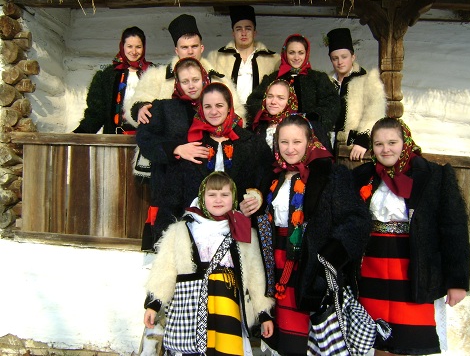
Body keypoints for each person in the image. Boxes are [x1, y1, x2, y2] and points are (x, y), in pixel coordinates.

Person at [241, 114, 371, 355]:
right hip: (272, 268)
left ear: (310, 142)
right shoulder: (271, 176)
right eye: (284, 142)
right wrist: (252, 208)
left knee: (303, 339)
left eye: (297, 142)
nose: (290, 149)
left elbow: (357, 220)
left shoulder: (331, 176)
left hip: (308, 268)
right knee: (278, 336)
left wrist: (330, 258)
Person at [352, 117, 470, 355]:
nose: (385, 149)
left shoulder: (433, 175)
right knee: (374, 337)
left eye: (392, 142)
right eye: (378, 144)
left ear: (405, 142)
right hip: (372, 266)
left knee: (410, 336)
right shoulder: (362, 176)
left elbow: (453, 228)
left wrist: (457, 281)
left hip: (414, 266)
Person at [143, 171, 275, 355]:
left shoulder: (242, 229)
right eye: (212, 194)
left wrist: (264, 313)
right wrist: (154, 304)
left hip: (228, 308)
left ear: (234, 197)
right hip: (191, 308)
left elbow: (255, 274)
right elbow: (165, 267)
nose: (218, 200)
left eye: (225, 195)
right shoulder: (183, 229)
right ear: (202, 197)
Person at [147, 82, 272, 249]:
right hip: (195, 230)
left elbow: (268, 178)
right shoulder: (190, 144)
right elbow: (173, 191)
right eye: (208, 106)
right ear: (201, 109)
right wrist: (164, 232)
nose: (213, 111)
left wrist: (258, 198)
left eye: (219, 105)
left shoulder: (251, 143)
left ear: (229, 107)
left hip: (239, 230)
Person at [136, 57, 211, 251]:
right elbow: (145, 140)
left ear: (203, 79)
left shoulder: (213, 107)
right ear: (177, 82)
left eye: (195, 80)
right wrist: (177, 148)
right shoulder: (163, 108)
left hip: (205, 190)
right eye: (185, 81)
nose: (191, 86)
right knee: (168, 251)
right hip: (169, 189)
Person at [126, 14, 245, 126]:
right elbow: (135, 104)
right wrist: (140, 109)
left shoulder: (218, 79)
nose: (190, 52)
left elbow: (238, 113)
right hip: (168, 145)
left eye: (194, 46)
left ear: (202, 48)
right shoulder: (156, 77)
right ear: (176, 50)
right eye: (184, 47)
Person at [245, 34, 339, 134]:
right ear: (285, 53)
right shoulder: (273, 78)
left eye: (301, 53)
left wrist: (313, 118)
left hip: (311, 132)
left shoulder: (318, 78)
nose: (296, 57)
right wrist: (272, 116)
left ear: (306, 54)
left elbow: (332, 103)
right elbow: (253, 100)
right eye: (292, 53)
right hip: (276, 131)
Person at [73, 26, 152, 134]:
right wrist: (80, 132)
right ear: (122, 46)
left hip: (147, 137)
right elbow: (97, 113)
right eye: (129, 46)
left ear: (143, 48)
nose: (134, 51)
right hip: (114, 137)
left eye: (138, 47)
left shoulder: (152, 73)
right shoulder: (108, 75)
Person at [326, 28, 386, 160]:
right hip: (327, 144)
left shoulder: (367, 79)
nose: (340, 62)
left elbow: (375, 110)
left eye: (344, 57)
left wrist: (362, 140)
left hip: (353, 147)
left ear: (353, 57)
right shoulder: (326, 82)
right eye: (335, 58)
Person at [207, 5, 280, 105]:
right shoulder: (216, 58)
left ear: (255, 32)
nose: (243, 33)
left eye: (248, 28)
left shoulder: (273, 59)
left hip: (261, 115)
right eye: (238, 29)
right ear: (233, 33)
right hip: (227, 116)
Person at [251, 79, 332, 153]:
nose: (273, 102)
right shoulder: (258, 125)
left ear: (290, 100)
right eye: (270, 96)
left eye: (280, 98)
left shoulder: (304, 124)